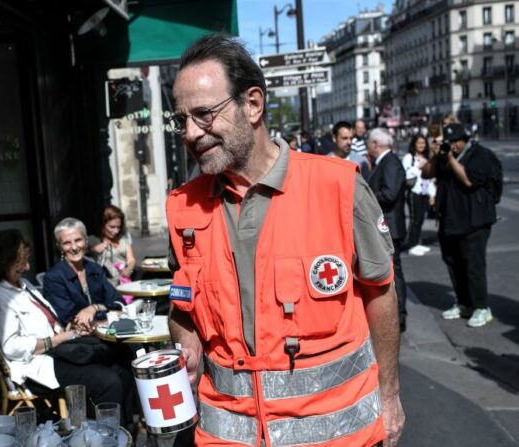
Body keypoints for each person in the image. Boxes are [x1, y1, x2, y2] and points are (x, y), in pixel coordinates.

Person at [166, 34, 404, 447]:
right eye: (180, 119)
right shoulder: (182, 207)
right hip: (228, 437)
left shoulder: (338, 186)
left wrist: (390, 394)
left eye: (204, 115)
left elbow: (380, 294)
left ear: (253, 105)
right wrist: (186, 343)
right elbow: (183, 303)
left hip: (338, 436)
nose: (190, 133)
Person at [0, 229, 134, 422]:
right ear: (3, 263)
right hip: (35, 367)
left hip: (59, 352)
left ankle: (125, 432)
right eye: (20, 262)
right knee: (107, 381)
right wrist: (58, 338)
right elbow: (11, 347)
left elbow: (50, 323)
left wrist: (70, 330)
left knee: (122, 365)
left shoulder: (24, 285)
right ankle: (106, 437)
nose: (27, 266)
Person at [422, 123, 501, 327]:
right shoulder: (444, 155)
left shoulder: (479, 154)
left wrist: (449, 158)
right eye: (450, 143)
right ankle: (464, 303)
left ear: (464, 139)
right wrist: (435, 154)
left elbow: (468, 179)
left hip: (475, 220)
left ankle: (482, 307)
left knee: (473, 265)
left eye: (456, 142)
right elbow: (426, 173)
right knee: (453, 263)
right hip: (450, 220)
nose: (453, 146)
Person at [42, 217, 123, 330]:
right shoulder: (53, 278)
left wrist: (94, 308)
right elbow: (72, 317)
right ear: (59, 247)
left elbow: (119, 303)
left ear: (86, 241)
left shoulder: (95, 269)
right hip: (79, 340)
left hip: (107, 331)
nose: (74, 247)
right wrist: (107, 312)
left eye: (78, 240)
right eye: (67, 243)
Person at [366, 128, 408, 332]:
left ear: (376, 144)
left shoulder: (390, 162)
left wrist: (366, 195)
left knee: (394, 272)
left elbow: (389, 194)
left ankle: (399, 315)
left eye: (369, 142)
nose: (367, 146)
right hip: (386, 226)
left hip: (390, 226)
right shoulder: (385, 161)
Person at [402, 134, 436, 256]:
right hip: (413, 192)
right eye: (419, 143)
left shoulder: (427, 157)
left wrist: (432, 194)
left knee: (421, 218)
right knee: (414, 219)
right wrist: (419, 167)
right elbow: (406, 174)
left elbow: (430, 178)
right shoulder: (408, 157)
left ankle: (417, 242)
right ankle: (411, 245)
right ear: (414, 144)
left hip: (424, 192)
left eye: (423, 143)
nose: (421, 145)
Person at [87, 205, 137, 288]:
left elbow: (131, 259)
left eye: (118, 227)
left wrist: (129, 269)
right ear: (102, 224)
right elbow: (81, 253)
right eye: (112, 227)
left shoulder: (124, 236)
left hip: (125, 281)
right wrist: (92, 249)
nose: (116, 231)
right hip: (107, 284)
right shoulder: (93, 240)